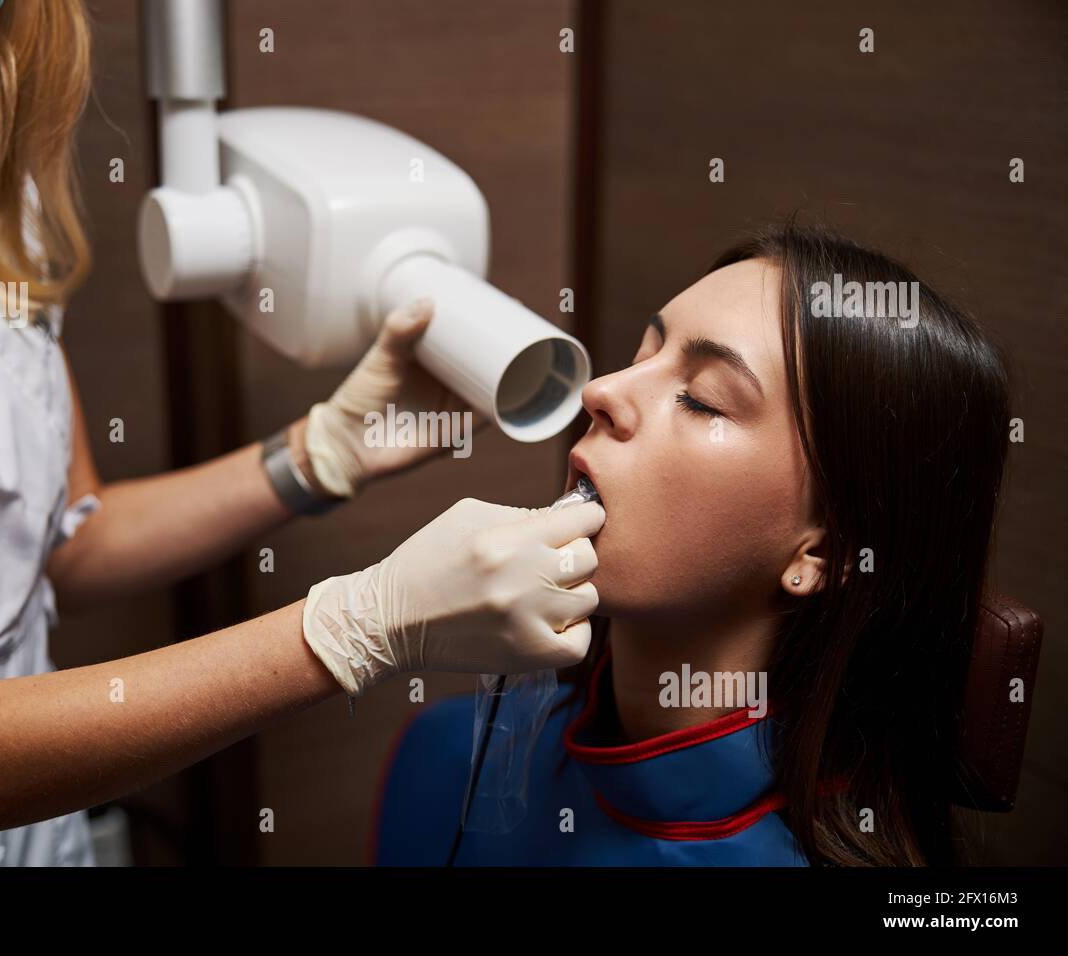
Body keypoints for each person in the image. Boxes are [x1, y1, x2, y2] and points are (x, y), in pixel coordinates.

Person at [0, 1, 604, 865]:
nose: (614, 396)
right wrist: (356, 626)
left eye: (701, 394)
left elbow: (69, 541)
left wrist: (314, 457)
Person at [375, 222, 1011, 867]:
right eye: (643, 354)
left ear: (823, 554)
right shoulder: (451, 753)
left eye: (702, 400)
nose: (601, 392)